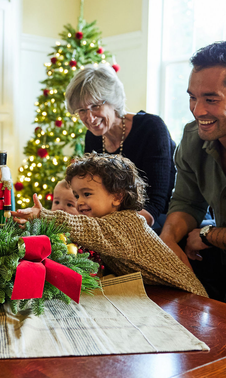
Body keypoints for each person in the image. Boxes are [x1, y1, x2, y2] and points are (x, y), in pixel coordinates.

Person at [12, 152, 207, 297]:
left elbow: (87, 229)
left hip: (185, 297)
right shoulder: (107, 221)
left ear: (117, 197)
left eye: (87, 194)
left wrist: (43, 215)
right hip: (159, 293)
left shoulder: (127, 223)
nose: (79, 202)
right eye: (77, 195)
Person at [66, 64, 176, 229]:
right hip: (115, 217)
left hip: (158, 216)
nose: (89, 118)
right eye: (81, 110)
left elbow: (157, 200)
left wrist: (119, 228)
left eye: (95, 106)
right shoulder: (93, 137)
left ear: (112, 100)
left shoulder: (151, 127)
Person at [160, 41, 226, 302]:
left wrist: (208, 235)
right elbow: (187, 201)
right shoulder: (193, 139)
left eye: (210, 99)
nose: (198, 111)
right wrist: (167, 240)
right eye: (192, 97)